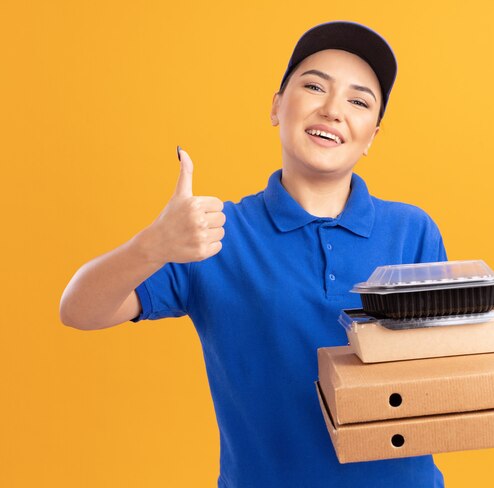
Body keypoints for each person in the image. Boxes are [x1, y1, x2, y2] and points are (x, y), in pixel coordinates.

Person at [60, 20, 447, 488]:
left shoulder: (413, 231)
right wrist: (153, 245)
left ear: (372, 137)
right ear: (277, 106)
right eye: (313, 86)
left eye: (358, 101)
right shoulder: (213, 233)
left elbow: (444, 370)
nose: (332, 110)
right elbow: (79, 310)